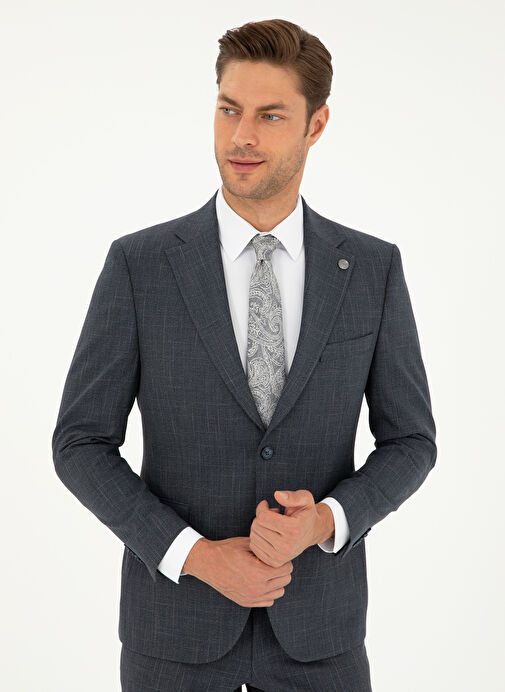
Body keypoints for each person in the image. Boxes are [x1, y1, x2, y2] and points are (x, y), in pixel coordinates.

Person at [52, 17, 437, 692]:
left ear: (316, 125)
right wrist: (196, 556)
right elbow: (80, 443)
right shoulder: (140, 266)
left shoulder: (371, 270)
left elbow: (411, 441)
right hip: (173, 633)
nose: (241, 137)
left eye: (269, 115)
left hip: (321, 635)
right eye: (229, 109)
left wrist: (324, 521)